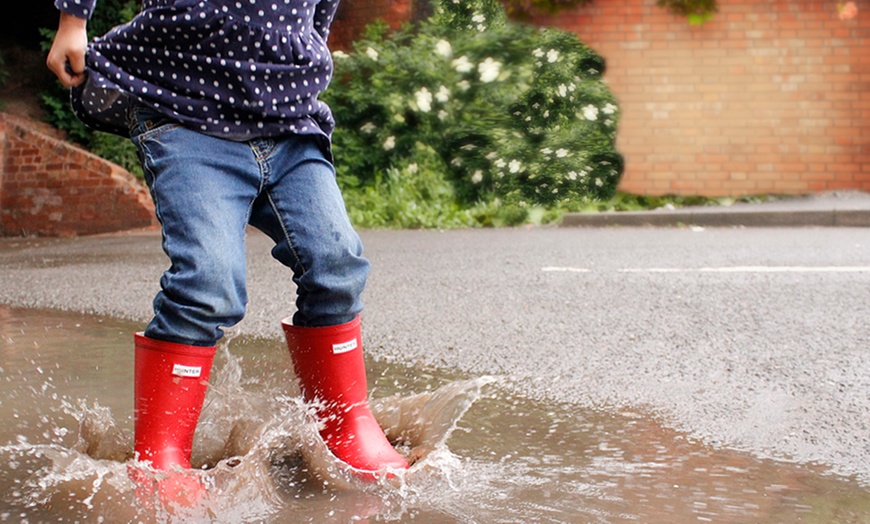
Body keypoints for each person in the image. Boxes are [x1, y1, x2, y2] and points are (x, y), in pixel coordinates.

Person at [46, 0, 409, 504]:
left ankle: (345, 423)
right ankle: (161, 455)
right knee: (209, 283)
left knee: (336, 265)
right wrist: (74, 20)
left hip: (288, 123)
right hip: (185, 111)